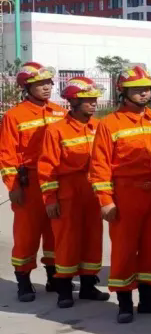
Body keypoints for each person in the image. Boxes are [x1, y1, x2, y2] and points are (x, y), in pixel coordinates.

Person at [89, 64, 151, 323]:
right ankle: (125, 301)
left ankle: (149, 298)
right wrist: (105, 201)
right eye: (137, 89)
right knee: (125, 250)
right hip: (126, 194)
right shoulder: (110, 124)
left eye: (147, 88)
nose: (144, 93)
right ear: (123, 92)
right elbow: (100, 166)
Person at [37, 77, 109, 308]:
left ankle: (88, 286)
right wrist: (50, 199)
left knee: (92, 239)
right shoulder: (56, 130)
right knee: (67, 241)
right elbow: (47, 167)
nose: (93, 103)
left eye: (94, 99)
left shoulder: (100, 127)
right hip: (68, 191)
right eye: (88, 100)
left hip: (93, 190)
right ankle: (64, 289)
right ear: (74, 102)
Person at [1, 62, 63, 302]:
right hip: (29, 183)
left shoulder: (59, 112)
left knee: (54, 232)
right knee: (27, 234)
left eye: (48, 83)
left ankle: (54, 277)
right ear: (27, 87)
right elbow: (6, 154)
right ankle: (23, 280)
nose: (47, 87)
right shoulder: (15, 116)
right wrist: (13, 186)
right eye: (40, 84)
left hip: (56, 181)